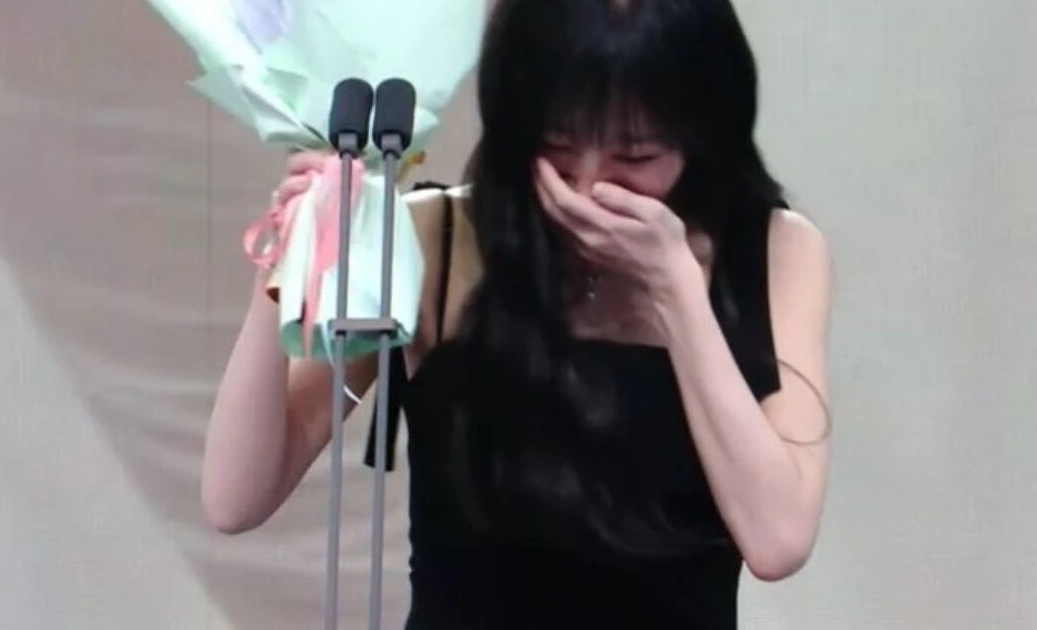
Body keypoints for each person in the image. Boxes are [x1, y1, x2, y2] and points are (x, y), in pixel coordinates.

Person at [201, 0, 833, 627]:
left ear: (701, 133)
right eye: (557, 148)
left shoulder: (777, 250)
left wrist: (677, 294)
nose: (587, 188)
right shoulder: (433, 237)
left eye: (635, 158)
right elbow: (235, 497)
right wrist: (286, 257)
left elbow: (777, 540)